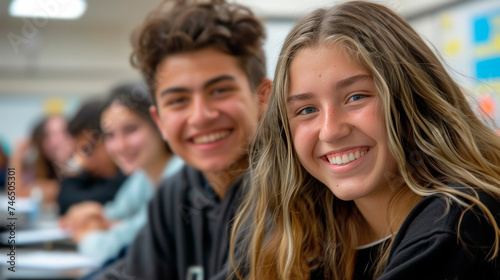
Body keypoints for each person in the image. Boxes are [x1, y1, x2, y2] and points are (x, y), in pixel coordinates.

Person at [229, 1, 500, 279]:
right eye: (306, 110)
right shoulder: (306, 239)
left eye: (356, 97)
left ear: (413, 99)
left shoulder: (457, 223)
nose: (330, 130)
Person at [93, 0, 270, 279]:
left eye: (220, 90)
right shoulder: (176, 193)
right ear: (160, 121)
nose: (200, 116)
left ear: (262, 98)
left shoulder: (289, 191)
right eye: (178, 100)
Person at [61, 82, 183, 264]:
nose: (120, 146)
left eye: (131, 130)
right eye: (110, 135)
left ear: (159, 123)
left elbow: (121, 243)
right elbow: (115, 215)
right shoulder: (142, 176)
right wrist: (98, 216)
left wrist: (85, 236)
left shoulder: (180, 175)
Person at [57, 99, 127, 215]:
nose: (84, 161)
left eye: (87, 149)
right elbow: (64, 204)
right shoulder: (89, 175)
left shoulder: (129, 177)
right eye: (77, 150)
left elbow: (72, 203)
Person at [9, 115, 75, 205]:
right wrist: (17, 156)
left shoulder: (81, 166)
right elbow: (14, 195)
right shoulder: (39, 170)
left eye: (64, 132)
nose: (58, 140)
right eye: (49, 135)